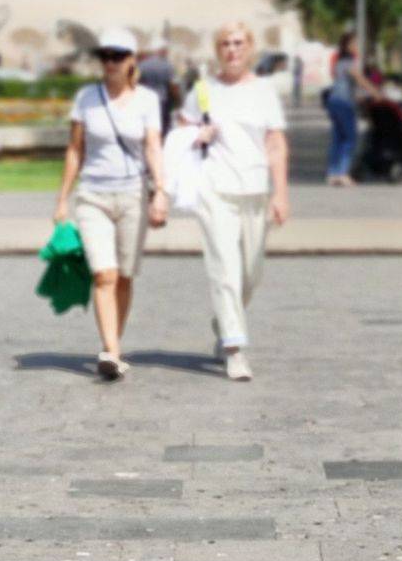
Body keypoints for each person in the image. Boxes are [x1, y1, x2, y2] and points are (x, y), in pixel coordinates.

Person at [53, 26, 168, 379]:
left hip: (133, 195)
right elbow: (75, 149)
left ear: (132, 60)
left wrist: (161, 191)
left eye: (118, 56)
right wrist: (62, 199)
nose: (110, 62)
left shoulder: (147, 100)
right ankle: (111, 351)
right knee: (104, 274)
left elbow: (153, 146)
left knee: (125, 277)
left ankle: (113, 342)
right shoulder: (87, 98)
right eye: (105, 56)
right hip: (93, 196)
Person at [179, 20, 290, 382]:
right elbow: (182, 131)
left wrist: (281, 193)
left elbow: (275, 144)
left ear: (250, 48)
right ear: (218, 50)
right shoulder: (203, 90)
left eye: (239, 43)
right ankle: (234, 348)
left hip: (255, 189)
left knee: (250, 273)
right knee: (225, 268)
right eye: (225, 43)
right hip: (215, 189)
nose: (232, 50)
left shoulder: (264, 91)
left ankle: (224, 321)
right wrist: (197, 134)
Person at [324, 31, 375, 185]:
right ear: (348, 46)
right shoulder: (349, 62)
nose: (358, 46)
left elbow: (347, 82)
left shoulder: (339, 61)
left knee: (338, 138)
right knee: (350, 138)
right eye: (355, 43)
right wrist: (377, 93)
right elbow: (360, 79)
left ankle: (333, 173)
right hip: (344, 102)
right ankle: (343, 173)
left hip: (334, 100)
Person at [138, 38, 177, 139]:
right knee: (162, 127)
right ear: (161, 51)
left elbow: (137, 82)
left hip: (145, 100)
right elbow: (172, 86)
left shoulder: (142, 65)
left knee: (147, 125)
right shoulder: (167, 65)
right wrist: (177, 100)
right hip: (163, 100)